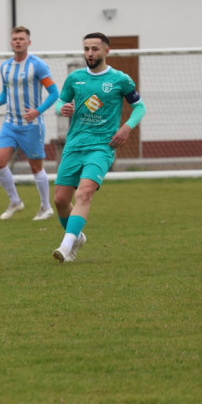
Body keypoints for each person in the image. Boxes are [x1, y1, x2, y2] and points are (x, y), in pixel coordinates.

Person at [51, 32, 145, 263]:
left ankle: (65, 246)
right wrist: (60, 109)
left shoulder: (120, 79)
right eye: (86, 49)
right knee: (61, 200)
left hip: (102, 147)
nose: (90, 53)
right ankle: (77, 237)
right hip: (74, 144)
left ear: (106, 51)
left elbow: (139, 107)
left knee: (84, 193)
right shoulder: (75, 78)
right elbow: (60, 102)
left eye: (94, 49)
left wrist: (127, 127)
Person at [0, 26, 59, 221]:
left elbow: (54, 93)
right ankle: (15, 201)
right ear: (11, 42)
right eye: (15, 39)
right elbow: (6, 91)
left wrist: (37, 111)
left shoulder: (38, 65)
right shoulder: (5, 67)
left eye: (21, 38)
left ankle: (46, 207)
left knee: (36, 167)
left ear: (29, 42)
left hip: (32, 125)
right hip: (10, 123)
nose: (18, 41)